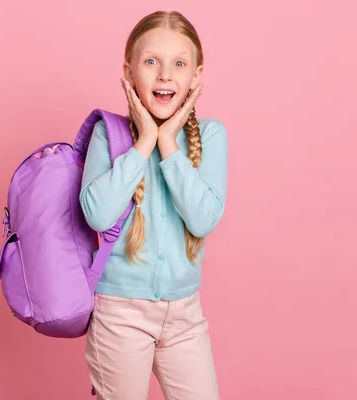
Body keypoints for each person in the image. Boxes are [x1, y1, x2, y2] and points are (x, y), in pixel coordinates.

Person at [79, 10, 228, 399]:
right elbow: (97, 213)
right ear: (129, 73)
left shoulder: (211, 136)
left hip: (184, 316)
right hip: (119, 315)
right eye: (151, 62)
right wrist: (144, 140)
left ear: (196, 76)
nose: (165, 75)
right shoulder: (106, 133)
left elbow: (203, 219)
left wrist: (168, 144)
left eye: (179, 63)